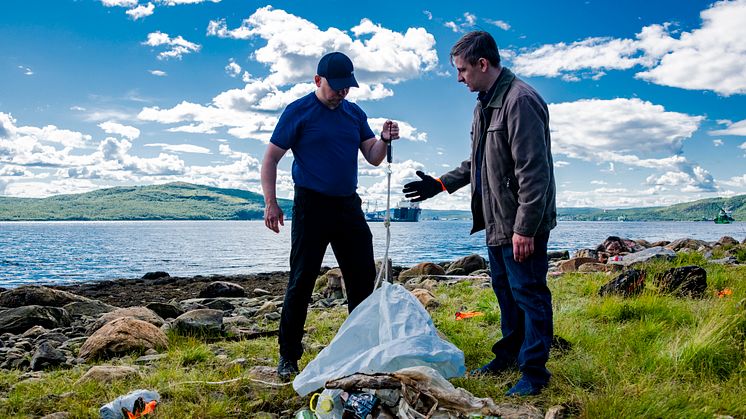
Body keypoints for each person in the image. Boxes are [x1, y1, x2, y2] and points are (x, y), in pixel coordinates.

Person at [403, 31, 556, 397]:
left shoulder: (520, 101)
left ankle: (534, 373)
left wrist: (525, 228)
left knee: (530, 294)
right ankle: (509, 355)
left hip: (520, 223)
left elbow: (534, 172)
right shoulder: (485, 101)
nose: (459, 78)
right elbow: (479, 162)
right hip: (497, 221)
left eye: (462, 70)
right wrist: (440, 183)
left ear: (482, 64)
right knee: (506, 293)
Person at [261, 51, 400, 381]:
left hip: (348, 205)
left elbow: (373, 157)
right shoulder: (299, 111)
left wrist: (382, 138)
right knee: (302, 279)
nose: (342, 92)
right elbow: (270, 161)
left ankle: (362, 349)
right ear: (317, 81)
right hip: (311, 205)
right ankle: (288, 355)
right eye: (336, 87)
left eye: (347, 87)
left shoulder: (354, 114)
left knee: (362, 278)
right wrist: (271, 203)